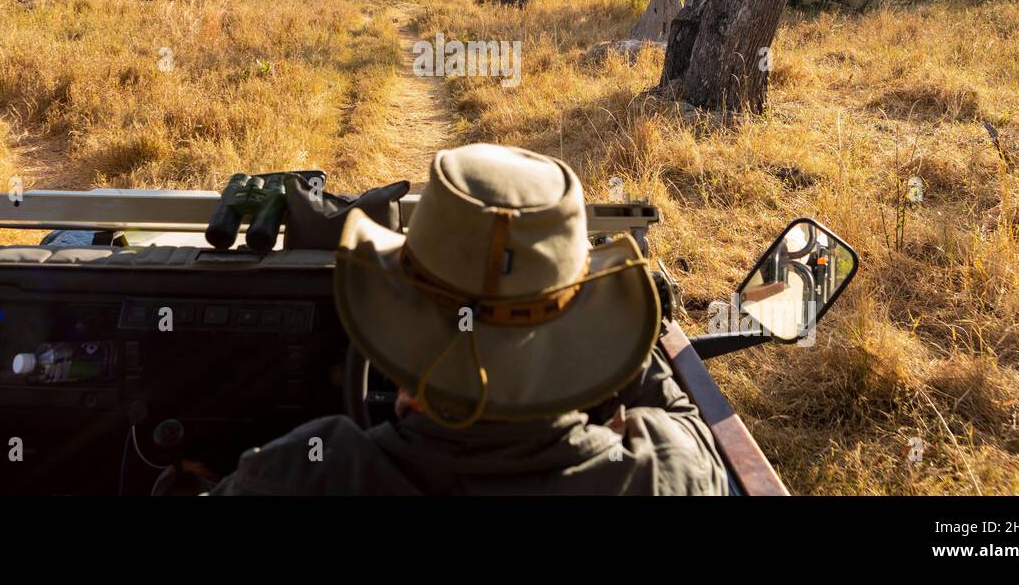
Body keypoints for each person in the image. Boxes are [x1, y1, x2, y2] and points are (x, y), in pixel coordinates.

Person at [211, 143, 727, 495]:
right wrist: (620, 330)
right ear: (578, 337)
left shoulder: (302, 474)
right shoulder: (655, 476)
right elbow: (687, 429)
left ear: (396, 321)